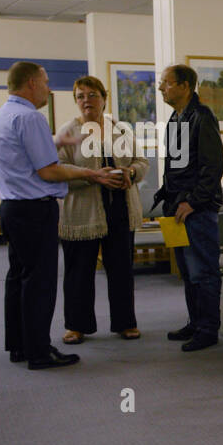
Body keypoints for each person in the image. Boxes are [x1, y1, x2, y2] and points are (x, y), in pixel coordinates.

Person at [0, 61, 120, 370]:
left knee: (19, 279)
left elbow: (24, 155)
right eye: (46, 83)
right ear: (32, 84)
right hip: (34, 210)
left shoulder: (3, 115)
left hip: (12, 208)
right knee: (40, 283)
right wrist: (91, 175)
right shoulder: (30, 117)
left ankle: (20, 346)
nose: (49, 89)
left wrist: (55, 143)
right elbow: (49, 171)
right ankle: (39, 351)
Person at [55, 75, 147, 344]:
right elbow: (58, 170)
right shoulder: (67, 133)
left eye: (92, 95)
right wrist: (93, 176)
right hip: (82, 213)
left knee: (121, 270)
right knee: (78, 272)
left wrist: (131, 171)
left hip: (120, 209)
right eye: (81, 96)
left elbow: (141, 162)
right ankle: (76, 325)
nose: (87, 101)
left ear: (104, 99)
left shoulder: (120, 129)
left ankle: (125, 323)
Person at [154, 64, 223, 352]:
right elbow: (175, 166)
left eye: (166, 83)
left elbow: (213, 166)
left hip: (197, 210)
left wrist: (193, 201)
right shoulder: (176, 117)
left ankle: (208, 329)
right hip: (177, 208)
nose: (161, 88)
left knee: (203, 272)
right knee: (187, 271)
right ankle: (195, 322)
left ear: (184, 86)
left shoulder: (202, 117)